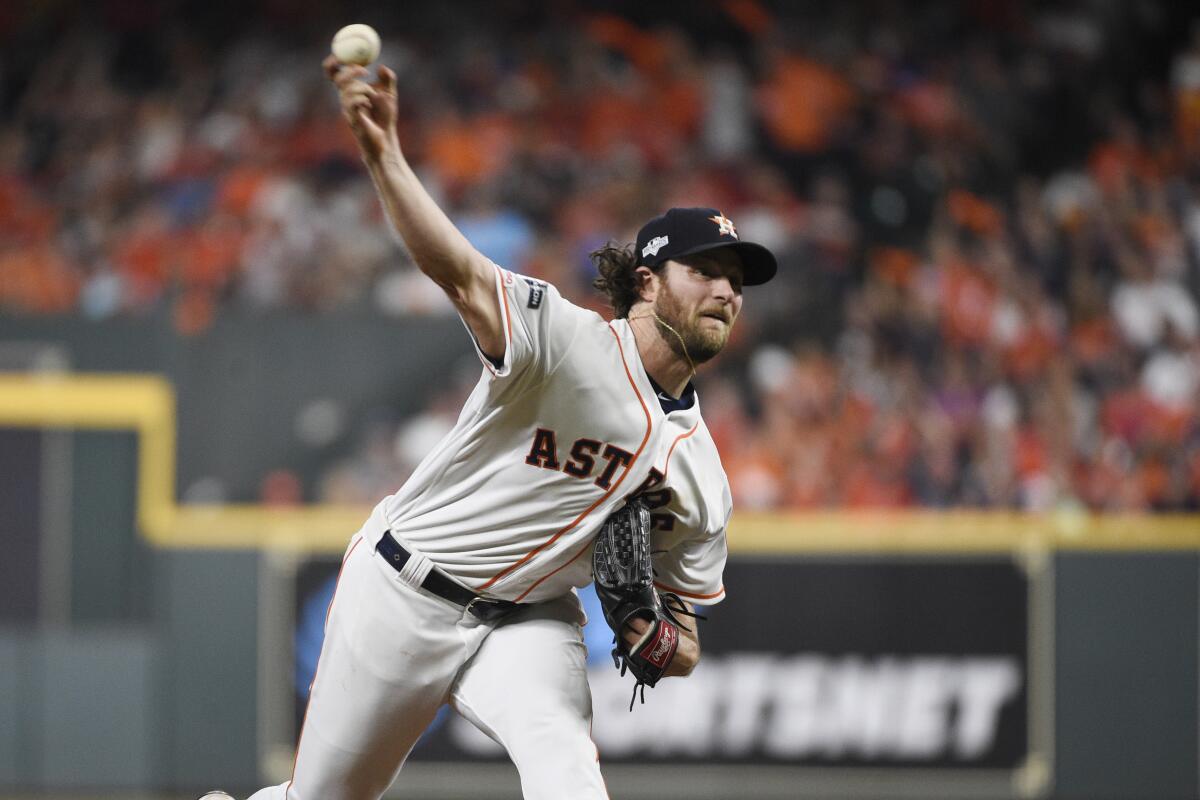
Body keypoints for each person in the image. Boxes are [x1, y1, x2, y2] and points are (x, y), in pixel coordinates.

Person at [209, 54, 778, 800]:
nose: (726, 291)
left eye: (736, 281)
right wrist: (384, 156)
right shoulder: (564, 342)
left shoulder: (701, 476)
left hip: (528, 623)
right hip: (404, 589)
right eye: (705, 270)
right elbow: (457, 268)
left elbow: (686, 634)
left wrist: (662, 640)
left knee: (570, 776)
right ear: (646, 281)